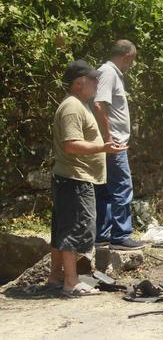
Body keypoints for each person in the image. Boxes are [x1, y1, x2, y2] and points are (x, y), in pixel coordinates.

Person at [49, 60, 127, 296]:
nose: (96, 83)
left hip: (71, 177)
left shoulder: (77, 104)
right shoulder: (73, 107)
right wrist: (103, 148)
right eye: (93, 80)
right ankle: (71, 282)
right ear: (79, 83)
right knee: (74, 229)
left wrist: (103, 146)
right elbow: (71, 145)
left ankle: (55, 277)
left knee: (62, 229)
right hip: (75, 177)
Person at [93, 39, 144, 250]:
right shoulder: (108, 72)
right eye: (132, 60)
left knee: (105, 190)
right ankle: (120, 236)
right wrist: (109, 138)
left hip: (110, 142)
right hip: (113, 144)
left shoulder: (109, 73)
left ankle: (102, 235)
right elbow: (98, 104)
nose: (131, 65)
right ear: (127, 57)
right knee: (123, 187)